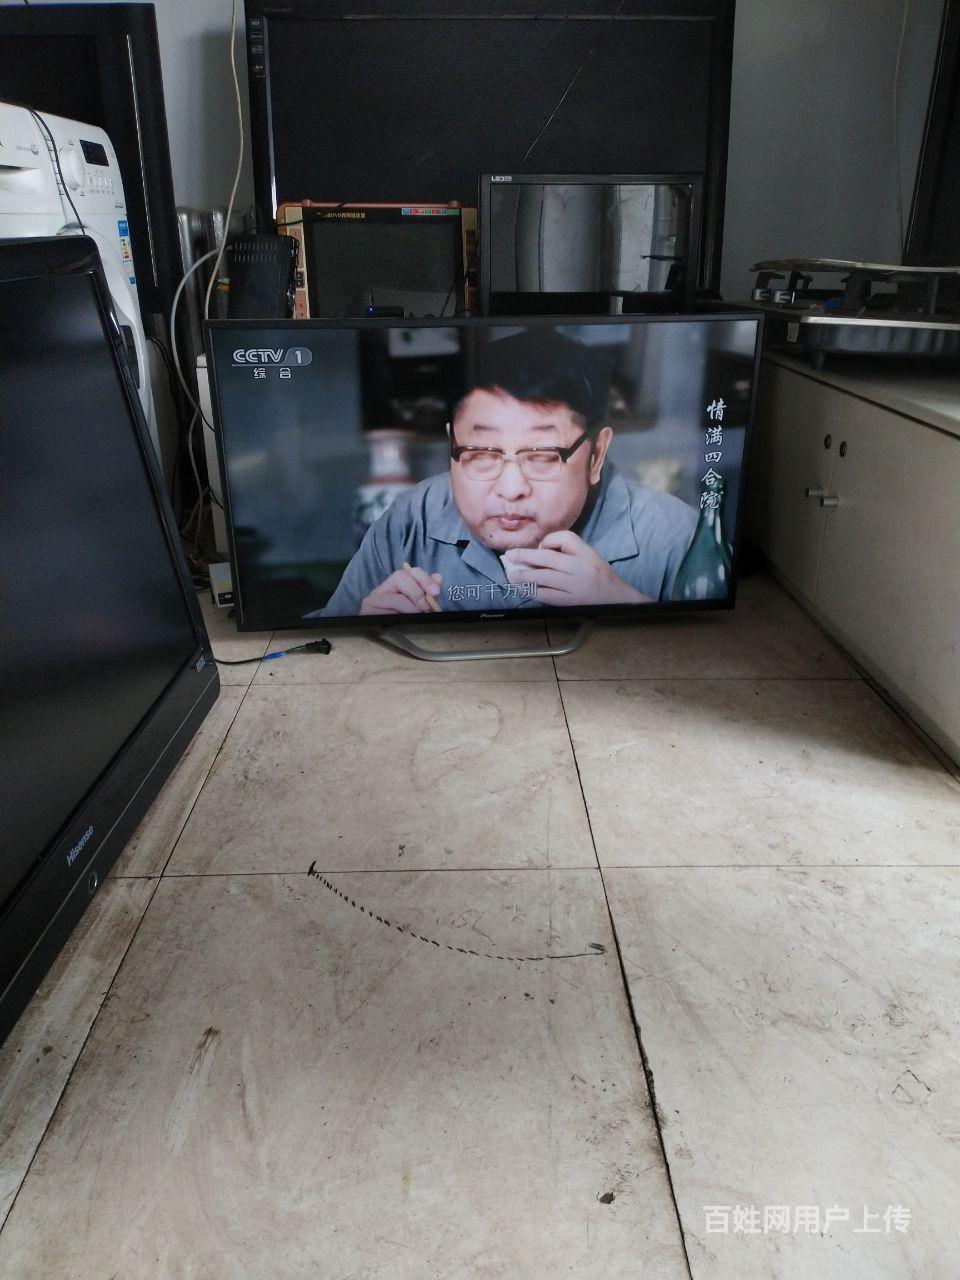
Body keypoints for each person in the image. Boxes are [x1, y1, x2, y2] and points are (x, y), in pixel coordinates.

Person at [312, 327, 698, 616]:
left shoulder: (674, 537)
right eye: (481, 452)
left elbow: (720, 665)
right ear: (451, 444)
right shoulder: (412, 519)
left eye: (543, 455)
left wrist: (627, 605)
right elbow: (323, 644)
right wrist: (366, 623)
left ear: (596, 455)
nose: (511, 489)